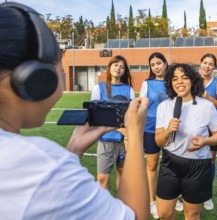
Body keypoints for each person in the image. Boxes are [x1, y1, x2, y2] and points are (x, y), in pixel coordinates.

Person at [0, 2, 149, 219]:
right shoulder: (41, 164)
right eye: (59, 74)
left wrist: (72, 152)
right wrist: (135, 134)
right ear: (34, 79)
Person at [155, 63, 217, 220]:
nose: (179, 82)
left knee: (192, 214)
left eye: (184, 77)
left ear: (192, 81)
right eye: (175, 79)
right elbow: (159, 142)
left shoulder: (206, 106)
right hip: (170, 162)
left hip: (198, 166)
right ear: (170, 83)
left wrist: (205, 141)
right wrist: (167, 131)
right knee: (163, 213)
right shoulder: (164, 106)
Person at [139, 52, 183, 219]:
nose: (156, 67)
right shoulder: (147, 84)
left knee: (172, 166)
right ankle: (152, 202)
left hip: (171, 129)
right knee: (151, 166)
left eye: (159, 63)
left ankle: (173, 198)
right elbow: (142, 107)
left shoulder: (173, 82)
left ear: (165, 63)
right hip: (151, 129)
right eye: (153, 64)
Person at [90, 55, 135, 190]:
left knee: (123, 175)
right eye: (116, 65)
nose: (118, 68)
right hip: (106, 140)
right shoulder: (99, 88)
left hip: (124, 140)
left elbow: (132, 116)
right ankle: (103, 209)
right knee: (102, 179)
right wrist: (118, 128)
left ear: (124, 71)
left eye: (121, 67)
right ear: (109, 68)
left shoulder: (129, 90)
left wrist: (125, 132)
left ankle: (121, 205)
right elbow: (96, 116)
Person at [199, 53, 217, 210]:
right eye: (205, 62)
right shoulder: (193, 79)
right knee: (193, 157)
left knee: (210, 160)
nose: (207, 66)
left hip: (212, 127)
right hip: (195, 125)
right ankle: (191, 189)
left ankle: (207, 194)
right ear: (200, 63)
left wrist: (209, 97)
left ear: (213, 67)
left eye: (210, 64)